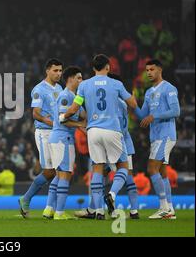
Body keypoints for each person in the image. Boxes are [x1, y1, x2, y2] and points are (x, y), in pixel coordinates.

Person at [62, 54, 139, 220]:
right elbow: (132, 104)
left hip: (93, 131)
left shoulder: (84, 85)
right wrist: (132, 97)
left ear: (93, 68)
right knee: (123, 167)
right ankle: (112, 194)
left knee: (97, 167)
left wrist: (63, 117)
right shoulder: (116, 84)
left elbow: (74, 107)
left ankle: (98, 211)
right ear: (108, 67)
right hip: (112, 130)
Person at [19, 58, 63, 219]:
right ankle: (26, 199)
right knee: (50, 171)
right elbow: (35, 113)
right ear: (47, 71)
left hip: (58, 133)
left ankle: (50, 209)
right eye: (55, 70)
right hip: (44, 133)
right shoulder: (39, 89)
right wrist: (49, 121)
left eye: (60, 71)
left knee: (59, 171)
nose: (58, 74)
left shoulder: (60, 88)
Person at [136, 59, 180, 219]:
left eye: (152, 69)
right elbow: (143, 116)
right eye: (147, 70)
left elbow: (176, 111)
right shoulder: (148, 92)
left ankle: (164, 208)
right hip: (156, 136)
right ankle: (170, 209)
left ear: (160, 70)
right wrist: (132, 105)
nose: (149, 72)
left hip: (166, 134)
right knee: (162, 172)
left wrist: (154, 116)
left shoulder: (169, 88)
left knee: (151, 168)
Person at [48, 66, 85, 220]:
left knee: (59, 174)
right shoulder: (65, 96)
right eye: (79, 78)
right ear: (70, 79)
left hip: (60, 139)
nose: (81, 81)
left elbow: (83, 115)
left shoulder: (75, 97)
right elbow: (62, 119)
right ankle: (60, 213)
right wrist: (80, 126)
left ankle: (49, 209)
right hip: (63, 138)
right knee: (66, 174)